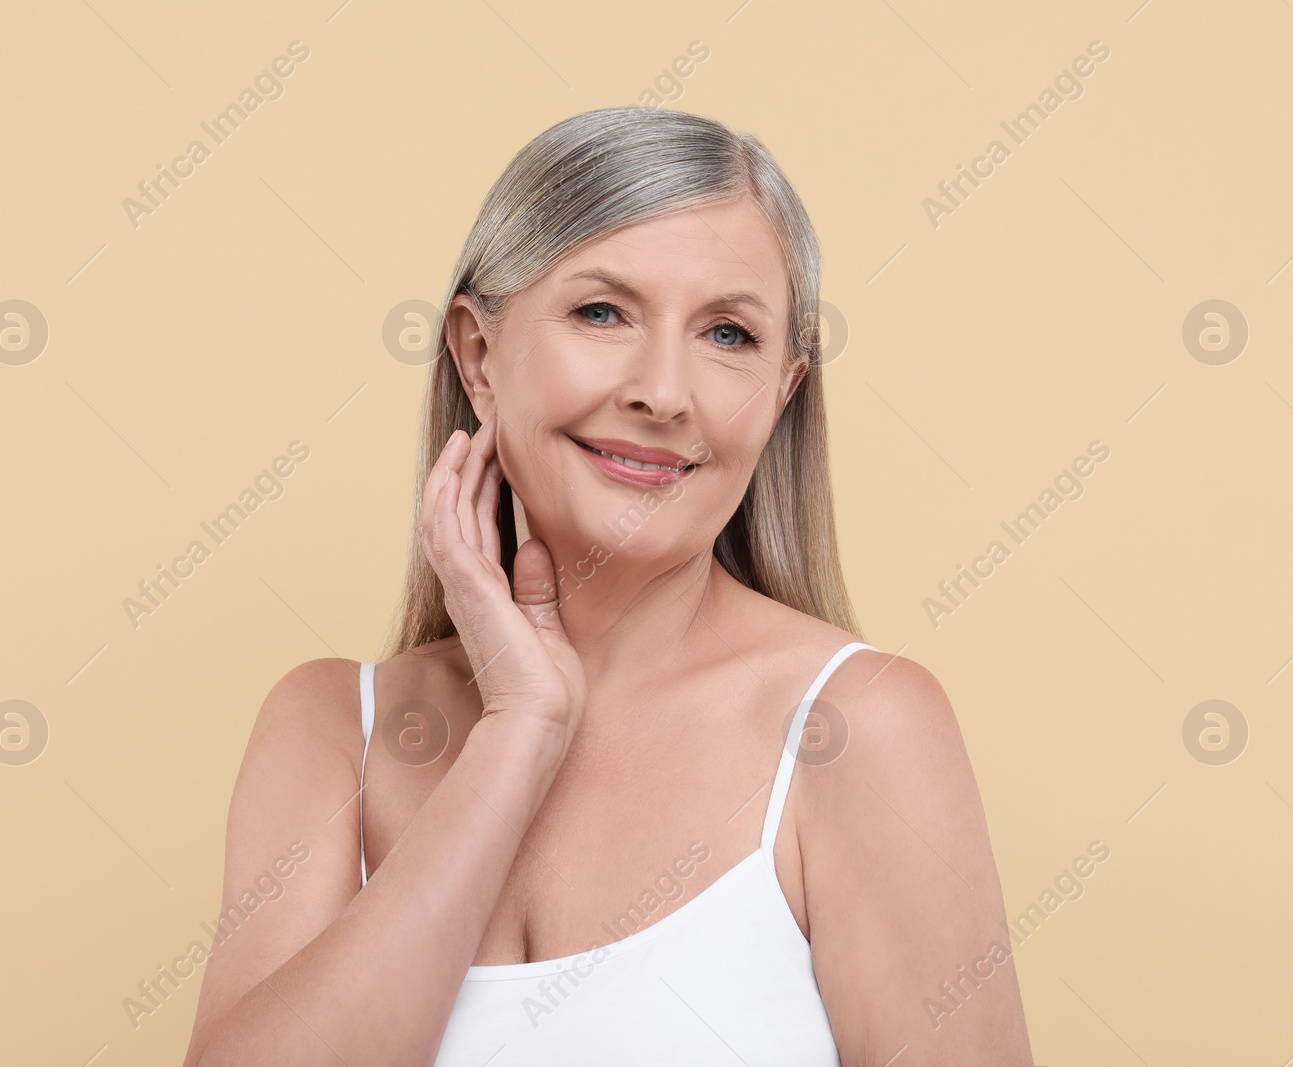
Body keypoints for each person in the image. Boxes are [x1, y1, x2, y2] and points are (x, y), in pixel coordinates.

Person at [181, 106, 1032, 1066]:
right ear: (477, 354)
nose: (664, 392)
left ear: (782, 394)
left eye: (728, 334)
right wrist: (521, 732)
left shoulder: (859, 728)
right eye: (602, 312)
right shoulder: (334, 728)